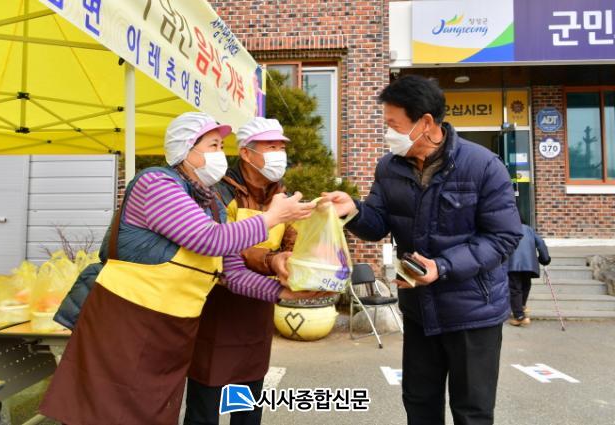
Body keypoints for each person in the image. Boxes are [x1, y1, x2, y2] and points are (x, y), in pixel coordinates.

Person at [39, 112, 321, 425]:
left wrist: (285, 292)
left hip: (172, 328)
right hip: (127, 320)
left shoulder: (211, 204)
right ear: (186, 149)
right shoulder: (156, 183)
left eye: (221, 146)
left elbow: (233, 274)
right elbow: (209, 239)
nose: (219, 154)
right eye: (213, 146)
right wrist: (271, 218)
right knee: (105, 413)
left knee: (150, 413)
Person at [324, 75, 523, 425]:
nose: (388, 134)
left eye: (394, 125)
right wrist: (352, 211)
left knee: (472, 411)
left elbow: (503, 237)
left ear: (426, 123)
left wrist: (442, 266)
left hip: (473, 312)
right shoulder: (389, 167)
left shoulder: (483, 166)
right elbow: (378, 224)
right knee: (419, 403)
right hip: (419, 310)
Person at [185, 117, 297, 425]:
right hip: (218, 306)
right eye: (271, 147)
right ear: (246, 153)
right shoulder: (218, 193)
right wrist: (272, 260)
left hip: (257, 308)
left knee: (248, 399)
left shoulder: (281, 195)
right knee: (206, 403)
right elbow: (225, 248)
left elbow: (292, 241)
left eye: (281, 147)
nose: (279, 154)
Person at [507, 215, 551, 326]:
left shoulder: (508, 230)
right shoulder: (530, 230)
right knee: (526, 285)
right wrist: (545, 259)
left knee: (515, 288)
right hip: (529, 263)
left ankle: (519, 316)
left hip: (513, 263)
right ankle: (521, 307)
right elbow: (541, 244)